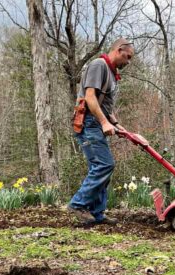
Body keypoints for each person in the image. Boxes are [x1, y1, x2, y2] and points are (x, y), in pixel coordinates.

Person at [68, 38, 134, 226]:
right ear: (119, 50)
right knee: (105, 165)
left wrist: (115, 123)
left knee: (100, 167)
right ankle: (78, 204)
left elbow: (103, 104)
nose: (128, 62)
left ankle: (97, 213)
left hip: (96, 122)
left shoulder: (111, 74)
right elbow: (90, 97)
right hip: (89, 123)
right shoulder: (99, 65)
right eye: (127, 57)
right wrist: (104, 123)